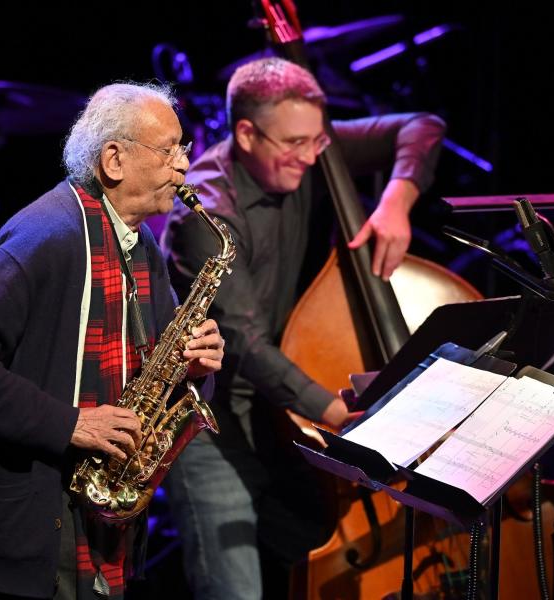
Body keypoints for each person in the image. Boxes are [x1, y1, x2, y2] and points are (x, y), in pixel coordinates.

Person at [0, 82, 226, 600]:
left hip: (95, 518)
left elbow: (163, 367)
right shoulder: (49, 236)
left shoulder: (139, 241)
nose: (184, 168)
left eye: (184, 149)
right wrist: (72, 423)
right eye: (169, 150)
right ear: (114, 160)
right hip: (24, 512)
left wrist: (195, 368)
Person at [161, 57, 447, 599]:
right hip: (211, 417)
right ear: (246, 133)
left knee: (328, 566)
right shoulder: (206, 215)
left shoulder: (308, 148)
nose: (312, 156)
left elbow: (422, 126)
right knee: (235, 588)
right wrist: (344, 418)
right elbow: (244, 344)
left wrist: (397, 199)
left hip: (281, 418)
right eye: (294, 143)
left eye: (318, 141)